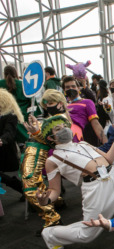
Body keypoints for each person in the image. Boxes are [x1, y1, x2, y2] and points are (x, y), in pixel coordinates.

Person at [37, 115, 114, 249]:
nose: (64, 129)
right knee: (87, 234)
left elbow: (109, 159)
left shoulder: (83, 144)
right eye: (58, 129)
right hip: (96, 188)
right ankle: (50, 234)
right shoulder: (53, 160)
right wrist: (45, 201)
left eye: (65, 126)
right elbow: (54, 190)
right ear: (50, 138)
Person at [20, 89, 79, 231]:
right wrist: (37, 128)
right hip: (34, 152)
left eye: (51, 103)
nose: (47, 106)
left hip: (38, 154)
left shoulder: (61, 119)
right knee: (37, 186)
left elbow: (51, 139)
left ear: (60, 103)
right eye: (46, 104)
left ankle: (53, 220)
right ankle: (56, 202)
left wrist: (36, 131)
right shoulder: (57, 117)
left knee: (31, 188)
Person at [0, 65, 41, 143]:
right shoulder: (24, 85)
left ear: (4, 74)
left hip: (4, 118)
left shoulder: (0, 84)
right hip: (22, 117)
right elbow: (33, 104)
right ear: (16, 73)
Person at [62, 76, 108, 145]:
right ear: (64, 90)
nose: (71, 89)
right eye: (67, 87)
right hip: (66, 141)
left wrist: (106, 144)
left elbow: (95, 123)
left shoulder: (87, 102)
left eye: (73, 86)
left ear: (78, 88)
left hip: (83, 139)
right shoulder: (63, 106)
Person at [0, 88, 24, 195]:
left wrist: (2, 140)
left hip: (4, 149)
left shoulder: (11, 115)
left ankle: (21, 188)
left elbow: (10, 132)